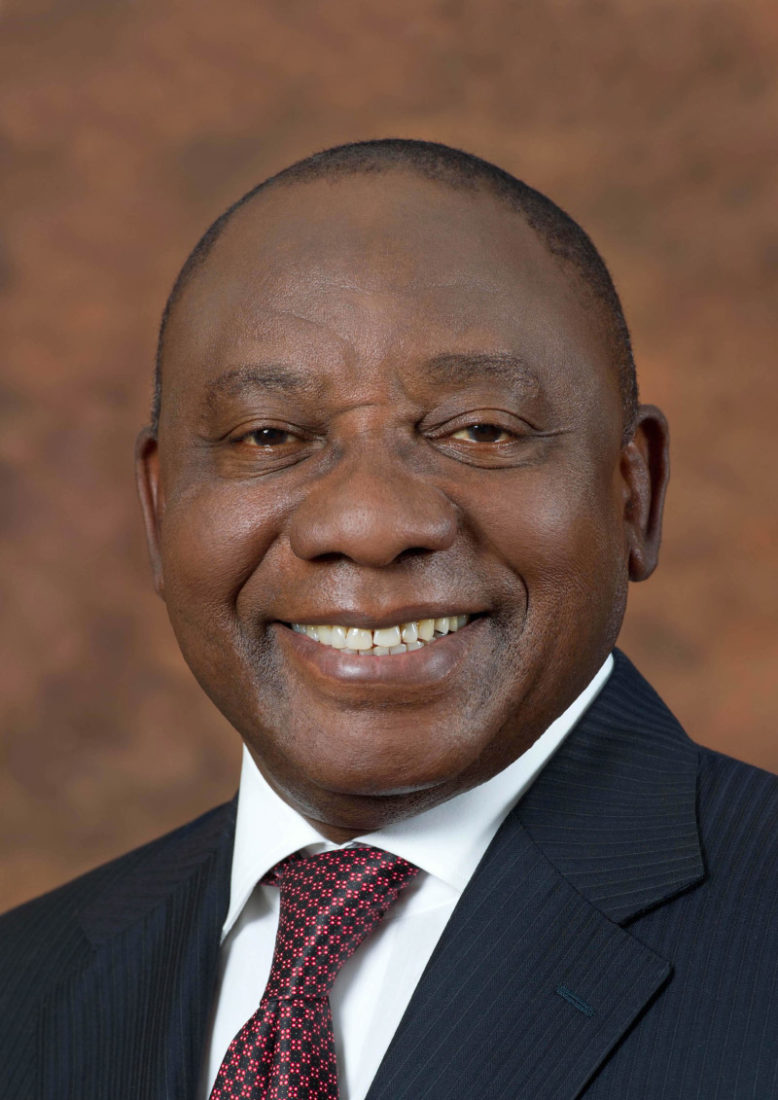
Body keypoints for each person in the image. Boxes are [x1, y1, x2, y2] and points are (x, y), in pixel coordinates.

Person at [1, 139, 776, 1100]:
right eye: (269, 436)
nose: (368, 526)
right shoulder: (23, 988)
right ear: (161, 512)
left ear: (634, 492)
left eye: (481, 430)